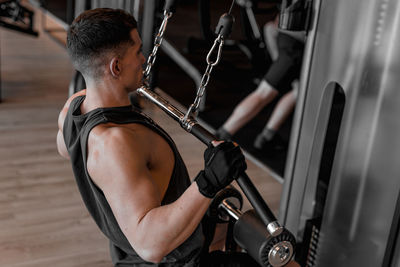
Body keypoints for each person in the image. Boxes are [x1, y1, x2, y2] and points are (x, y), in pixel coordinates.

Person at [56, 8, 299, 267]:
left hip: (140, 250)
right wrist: (208, 181)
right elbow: (150, 246)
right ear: (116, 66)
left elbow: (66, 148)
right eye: (137, 51)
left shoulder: (75, 106)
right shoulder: (117, 143)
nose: (144, 58)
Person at [216, 20, 305, 152]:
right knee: (264, 92)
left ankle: (266, 138)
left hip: (288, 42)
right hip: (295, 48)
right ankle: (221, 135)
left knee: (300, 91)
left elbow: (271, 27)